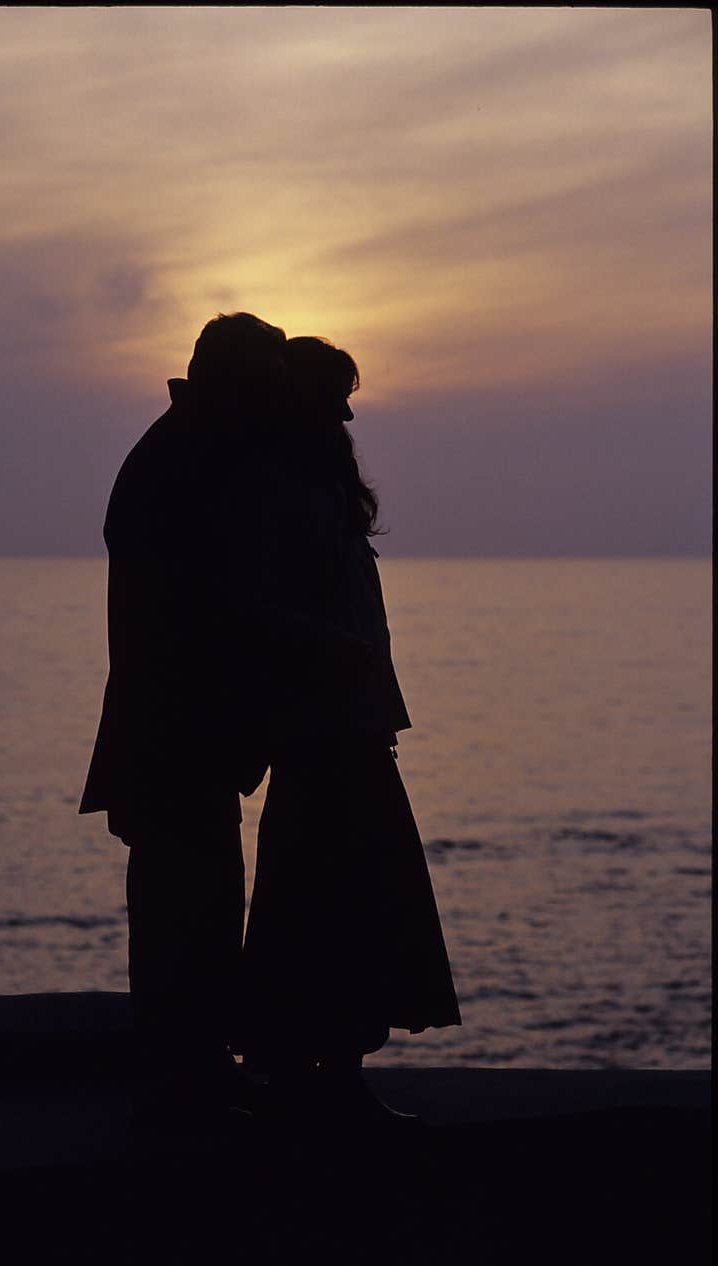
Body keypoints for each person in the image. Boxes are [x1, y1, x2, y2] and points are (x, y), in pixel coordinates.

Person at [233, 336, 461, 1126]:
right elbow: (253, 609)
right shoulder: (279, 496)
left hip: (352, 726)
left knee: (346, 895)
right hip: (323, 730)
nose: (347, 409)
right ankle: (316, 1072)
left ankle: (324, 1069)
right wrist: (331, 651)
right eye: (334, 393)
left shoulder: (315, 491)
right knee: (331, 897)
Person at [79, 312, 286, 1122]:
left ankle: (188, 1063)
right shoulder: (186, 464)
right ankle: (186, 1071)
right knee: (187, 904)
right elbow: (200, 615)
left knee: (189, 899)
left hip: (170, 729)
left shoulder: (180, 453)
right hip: (176, 730)